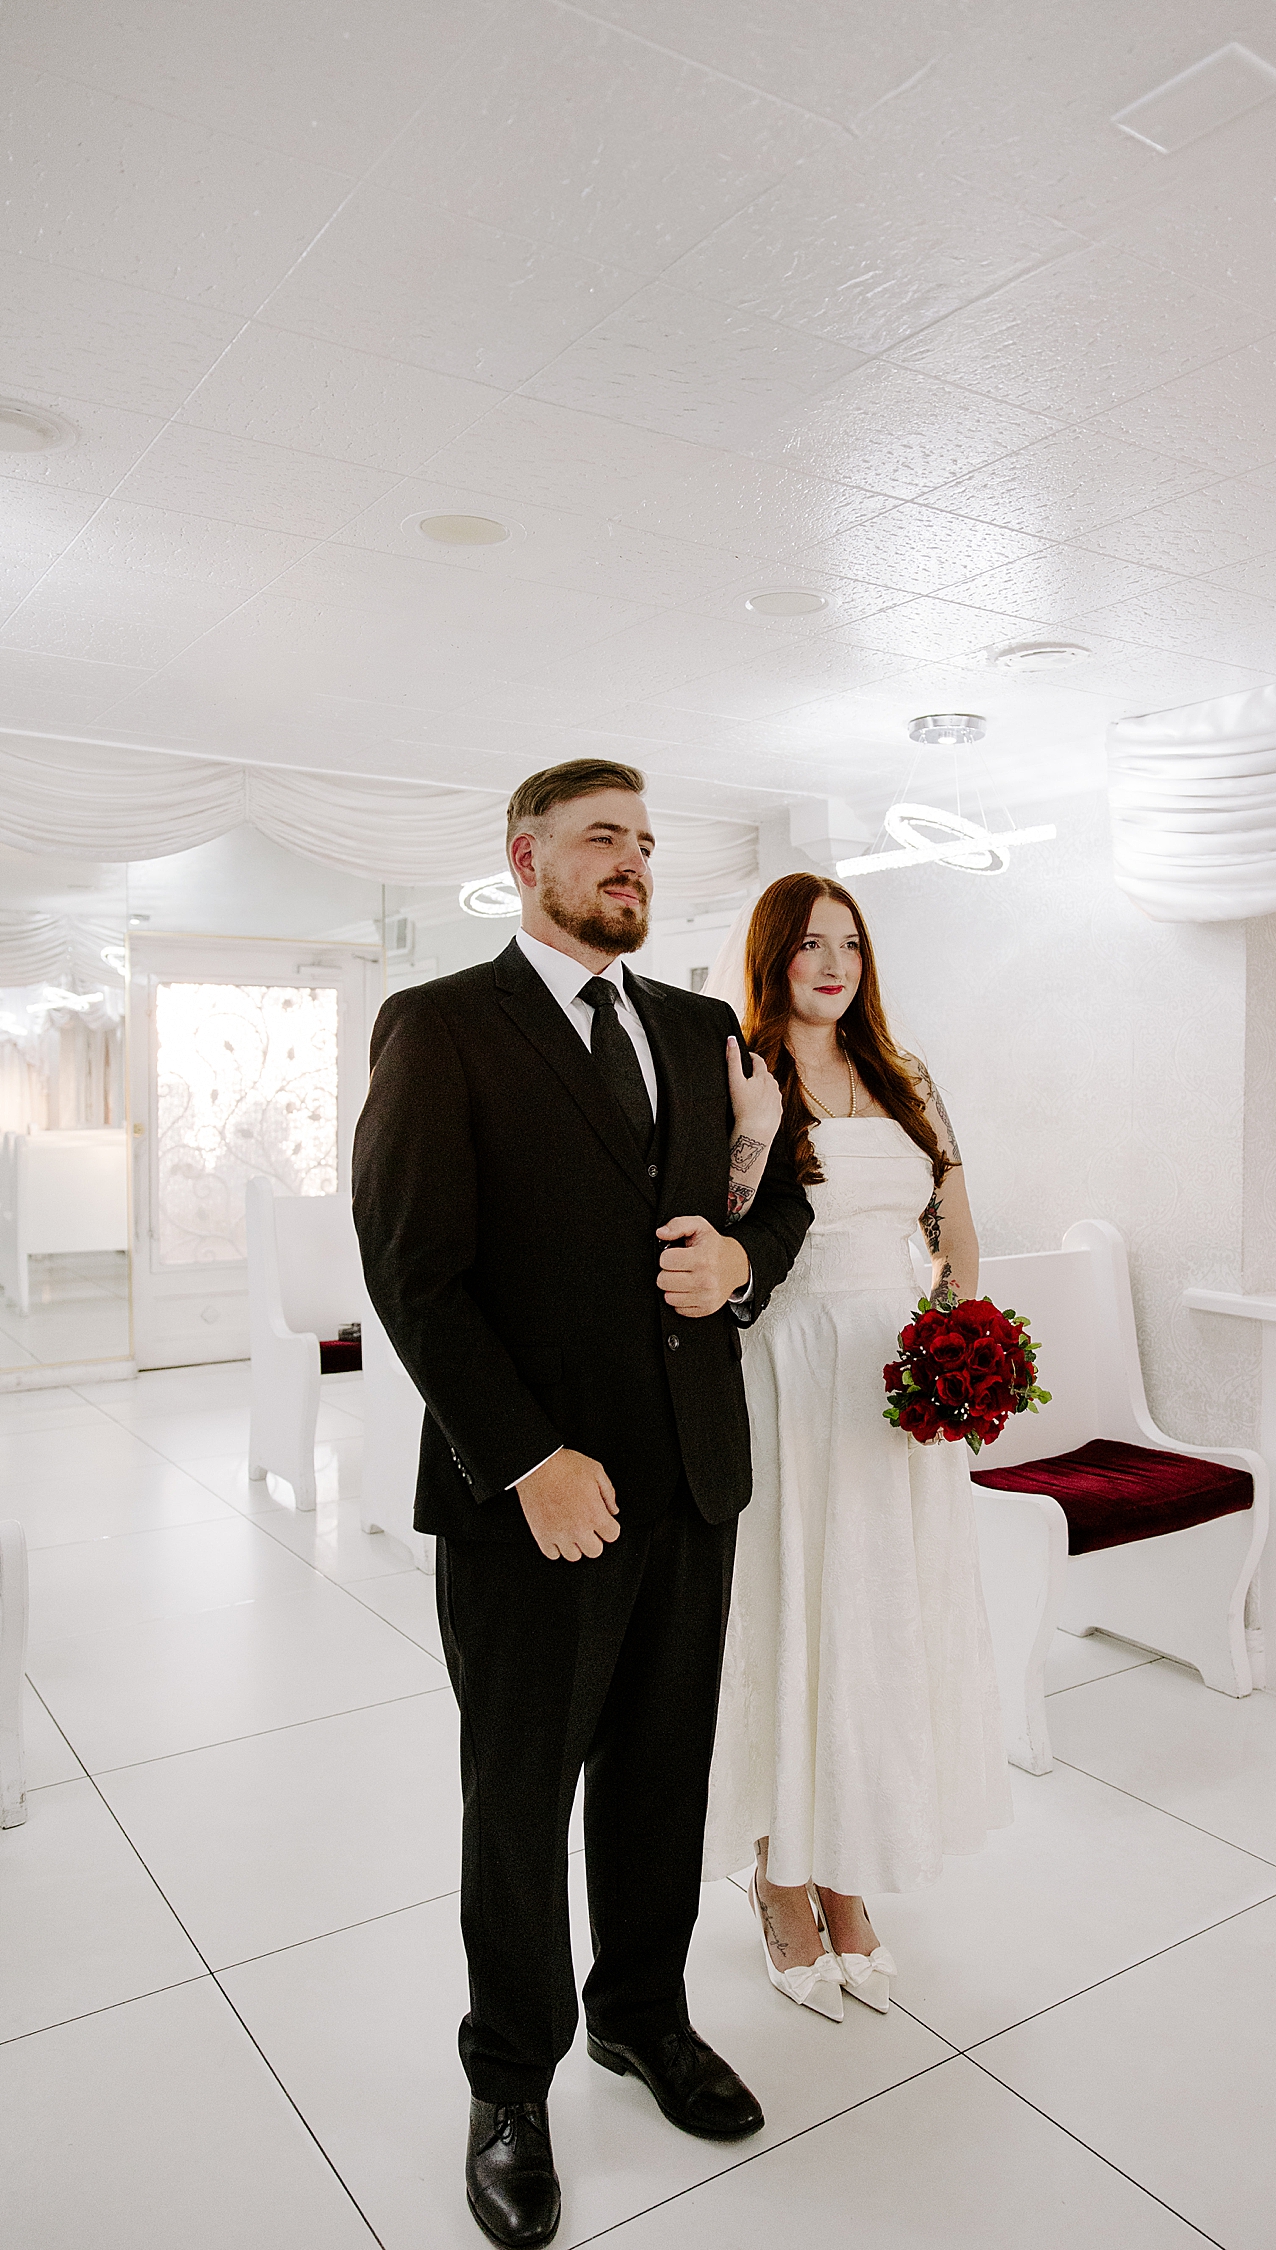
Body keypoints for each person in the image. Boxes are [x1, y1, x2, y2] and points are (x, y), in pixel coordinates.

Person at [352, 760, 810, 2249]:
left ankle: (642, 2017)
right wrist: (524, 1456)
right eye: (603, 838)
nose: (634, 861)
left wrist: (742, 1269)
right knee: (520, 1797)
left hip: (691, 1477)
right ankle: (511, 2083)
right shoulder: (441, 1028)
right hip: (530, 1500)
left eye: (647, 843)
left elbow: (778, 1196)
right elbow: (415, 1270)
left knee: (663, 1774)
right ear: (523, 856)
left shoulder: (696, 1028)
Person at [702, 873, 1011, 2021]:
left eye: (851, 944)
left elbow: (956, 1231)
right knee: (796, 1614)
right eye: (810, 945)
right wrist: (750, 1137)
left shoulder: (906, 1074)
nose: (833, 964)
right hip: (790, 1365)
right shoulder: (742, 1067)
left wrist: (956, 1342)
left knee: (878, 1619)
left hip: (899, 1383)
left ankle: (845, 1871)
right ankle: (780, 1876)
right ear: (774, 955)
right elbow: (728, 1227)